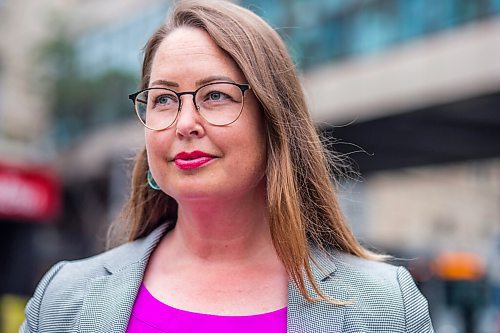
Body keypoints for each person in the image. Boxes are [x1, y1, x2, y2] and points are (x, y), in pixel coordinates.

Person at [20, 0, 434, 332]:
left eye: (215, 95)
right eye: (163, 99)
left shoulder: (383, 305)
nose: (184, 124)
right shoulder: (64, 298)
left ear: (274, 120)